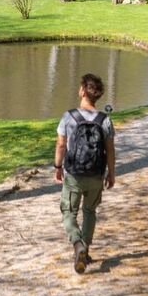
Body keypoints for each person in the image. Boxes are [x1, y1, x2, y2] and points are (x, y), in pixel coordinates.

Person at [54, 73, 115, 274]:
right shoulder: (104, 120)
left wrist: (57, 167)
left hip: (74, 175)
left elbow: (61, 144)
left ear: (82, 91)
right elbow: (110, 150)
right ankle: (85, 249)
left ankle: (77, 244)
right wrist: (111, 174)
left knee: (69, 211)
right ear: (97, 96)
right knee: (90, 212)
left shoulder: (68, 116)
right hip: (96, 175)